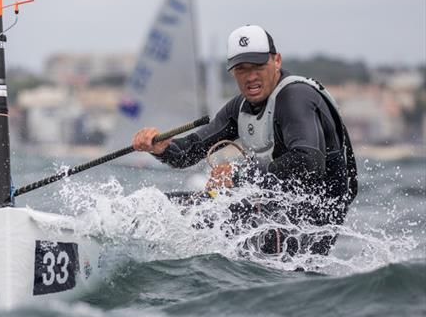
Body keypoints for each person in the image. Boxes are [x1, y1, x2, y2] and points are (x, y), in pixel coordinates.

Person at [132, 24, 357, 256]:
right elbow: (188, 152)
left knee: (209, 218)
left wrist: (240, 175)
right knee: (159, 209)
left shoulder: (295, 97)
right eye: (241, 69)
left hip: (311, 219)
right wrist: (162, 148)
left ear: (277, 61)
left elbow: (309, 161)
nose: (250, 77)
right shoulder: (239, 107)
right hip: (272, 209)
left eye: (258, 66)